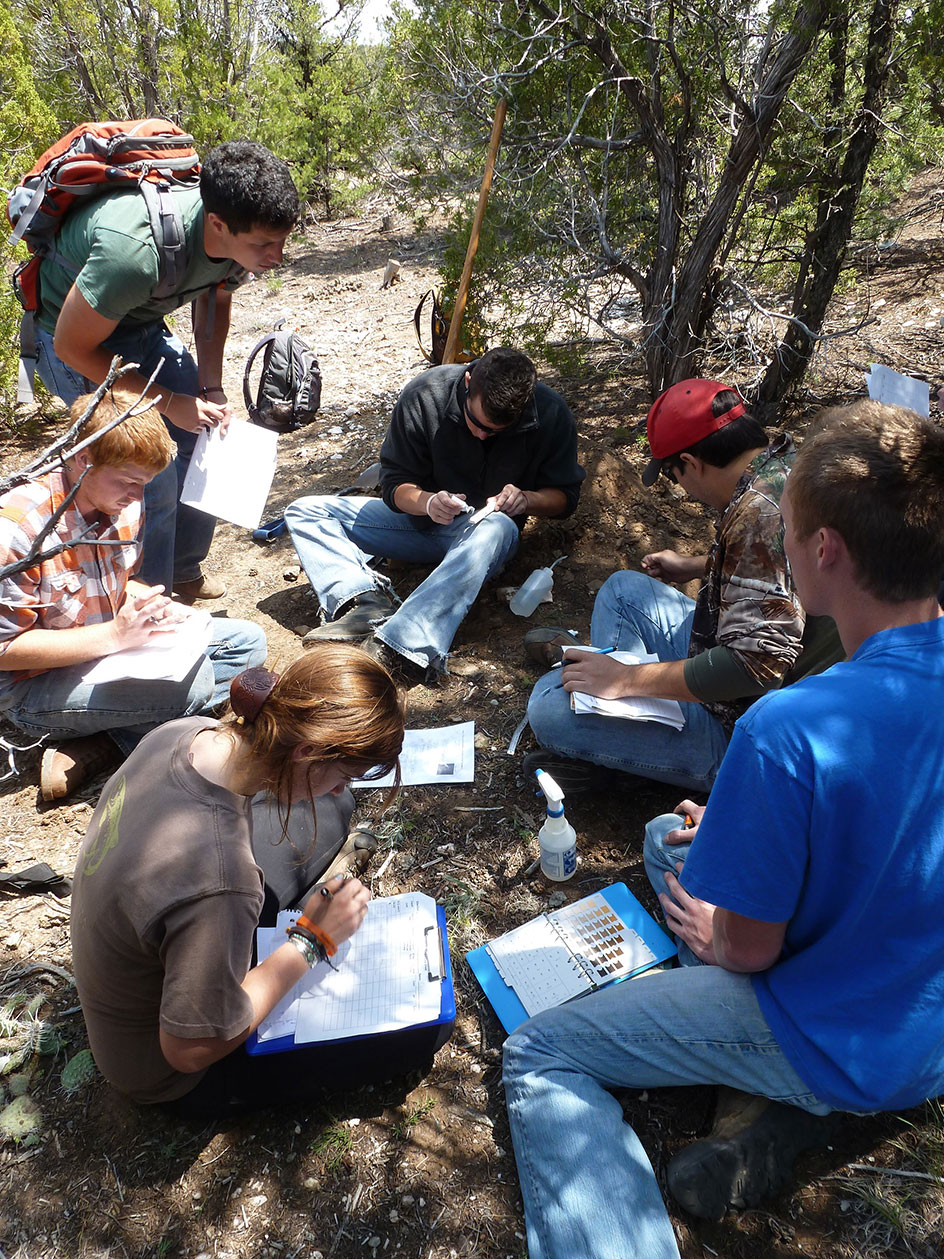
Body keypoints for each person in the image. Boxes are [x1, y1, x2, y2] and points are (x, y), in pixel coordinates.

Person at [502, 401, 944, 1258]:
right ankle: (772, 1115)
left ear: (825, 551)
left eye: (787, 527)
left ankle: (776, 1109)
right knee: (674, 834)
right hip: (923, 996)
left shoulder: (784, 726)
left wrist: (721, 927)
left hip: (852, 1036)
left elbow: (749, 951)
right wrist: (746, 824)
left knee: (542, 1050)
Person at [69, 645, 405, 1118]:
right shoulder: (222, 879)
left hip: (142, 950)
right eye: (343, 775)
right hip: (169, 1072)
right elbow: (188, 1050)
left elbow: (217, 869)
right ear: (307, 751)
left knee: (330, 813)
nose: (341, 786)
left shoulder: (185, 734)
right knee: (415, 1040)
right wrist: (313, 940)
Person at [523, 378, 840, 794]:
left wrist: (627, 681)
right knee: (622, 592)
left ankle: (633, 757)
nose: (683, 489)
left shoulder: (757, 516)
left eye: (674, 476)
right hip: (746, 656)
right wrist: (699, 567)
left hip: (752, 724)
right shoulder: (785, 464)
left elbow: (756, 667)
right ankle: (628, 721)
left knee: (547, 705)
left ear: (691, 462)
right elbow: (779, 575)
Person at [34, 140, 299, 600]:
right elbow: (73, 347)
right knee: (149, 470)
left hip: (139, 324)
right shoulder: (133, 254)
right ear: (217, 223)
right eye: (263, 244)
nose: (277, 256)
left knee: (206, 436)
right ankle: (149, 601)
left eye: (281, 240)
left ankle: (180, 570)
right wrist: (171, 403)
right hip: (72, 337)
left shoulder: (234, 240)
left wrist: (209, 388)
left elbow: (214, 297)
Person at [0, 390, 266, 800]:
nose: (137, 498)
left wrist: (151, 605)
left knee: (247, 644)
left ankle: (106, 742)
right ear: (83, 459)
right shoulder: (17, 530)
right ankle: (120, 734)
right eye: (128, 482)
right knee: (195, 689)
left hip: (105, 649)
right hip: (34, 687)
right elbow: (5, 650)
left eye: (145, 484)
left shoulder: (121, 499)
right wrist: (114, 637)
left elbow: (121, 580)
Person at [285, 347, 585, 687]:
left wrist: (526, 500)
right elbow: (394, 484)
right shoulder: (426, 394)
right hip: (419, 522)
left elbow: (566, 498)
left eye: (496, 432)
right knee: (305, 511)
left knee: (496, 525)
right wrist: (427, 503)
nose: (483, 436)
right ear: (468, 383)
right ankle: (361, 602)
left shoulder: (549, 412)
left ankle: (402, 646)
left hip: (486, 540)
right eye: (477, 424)